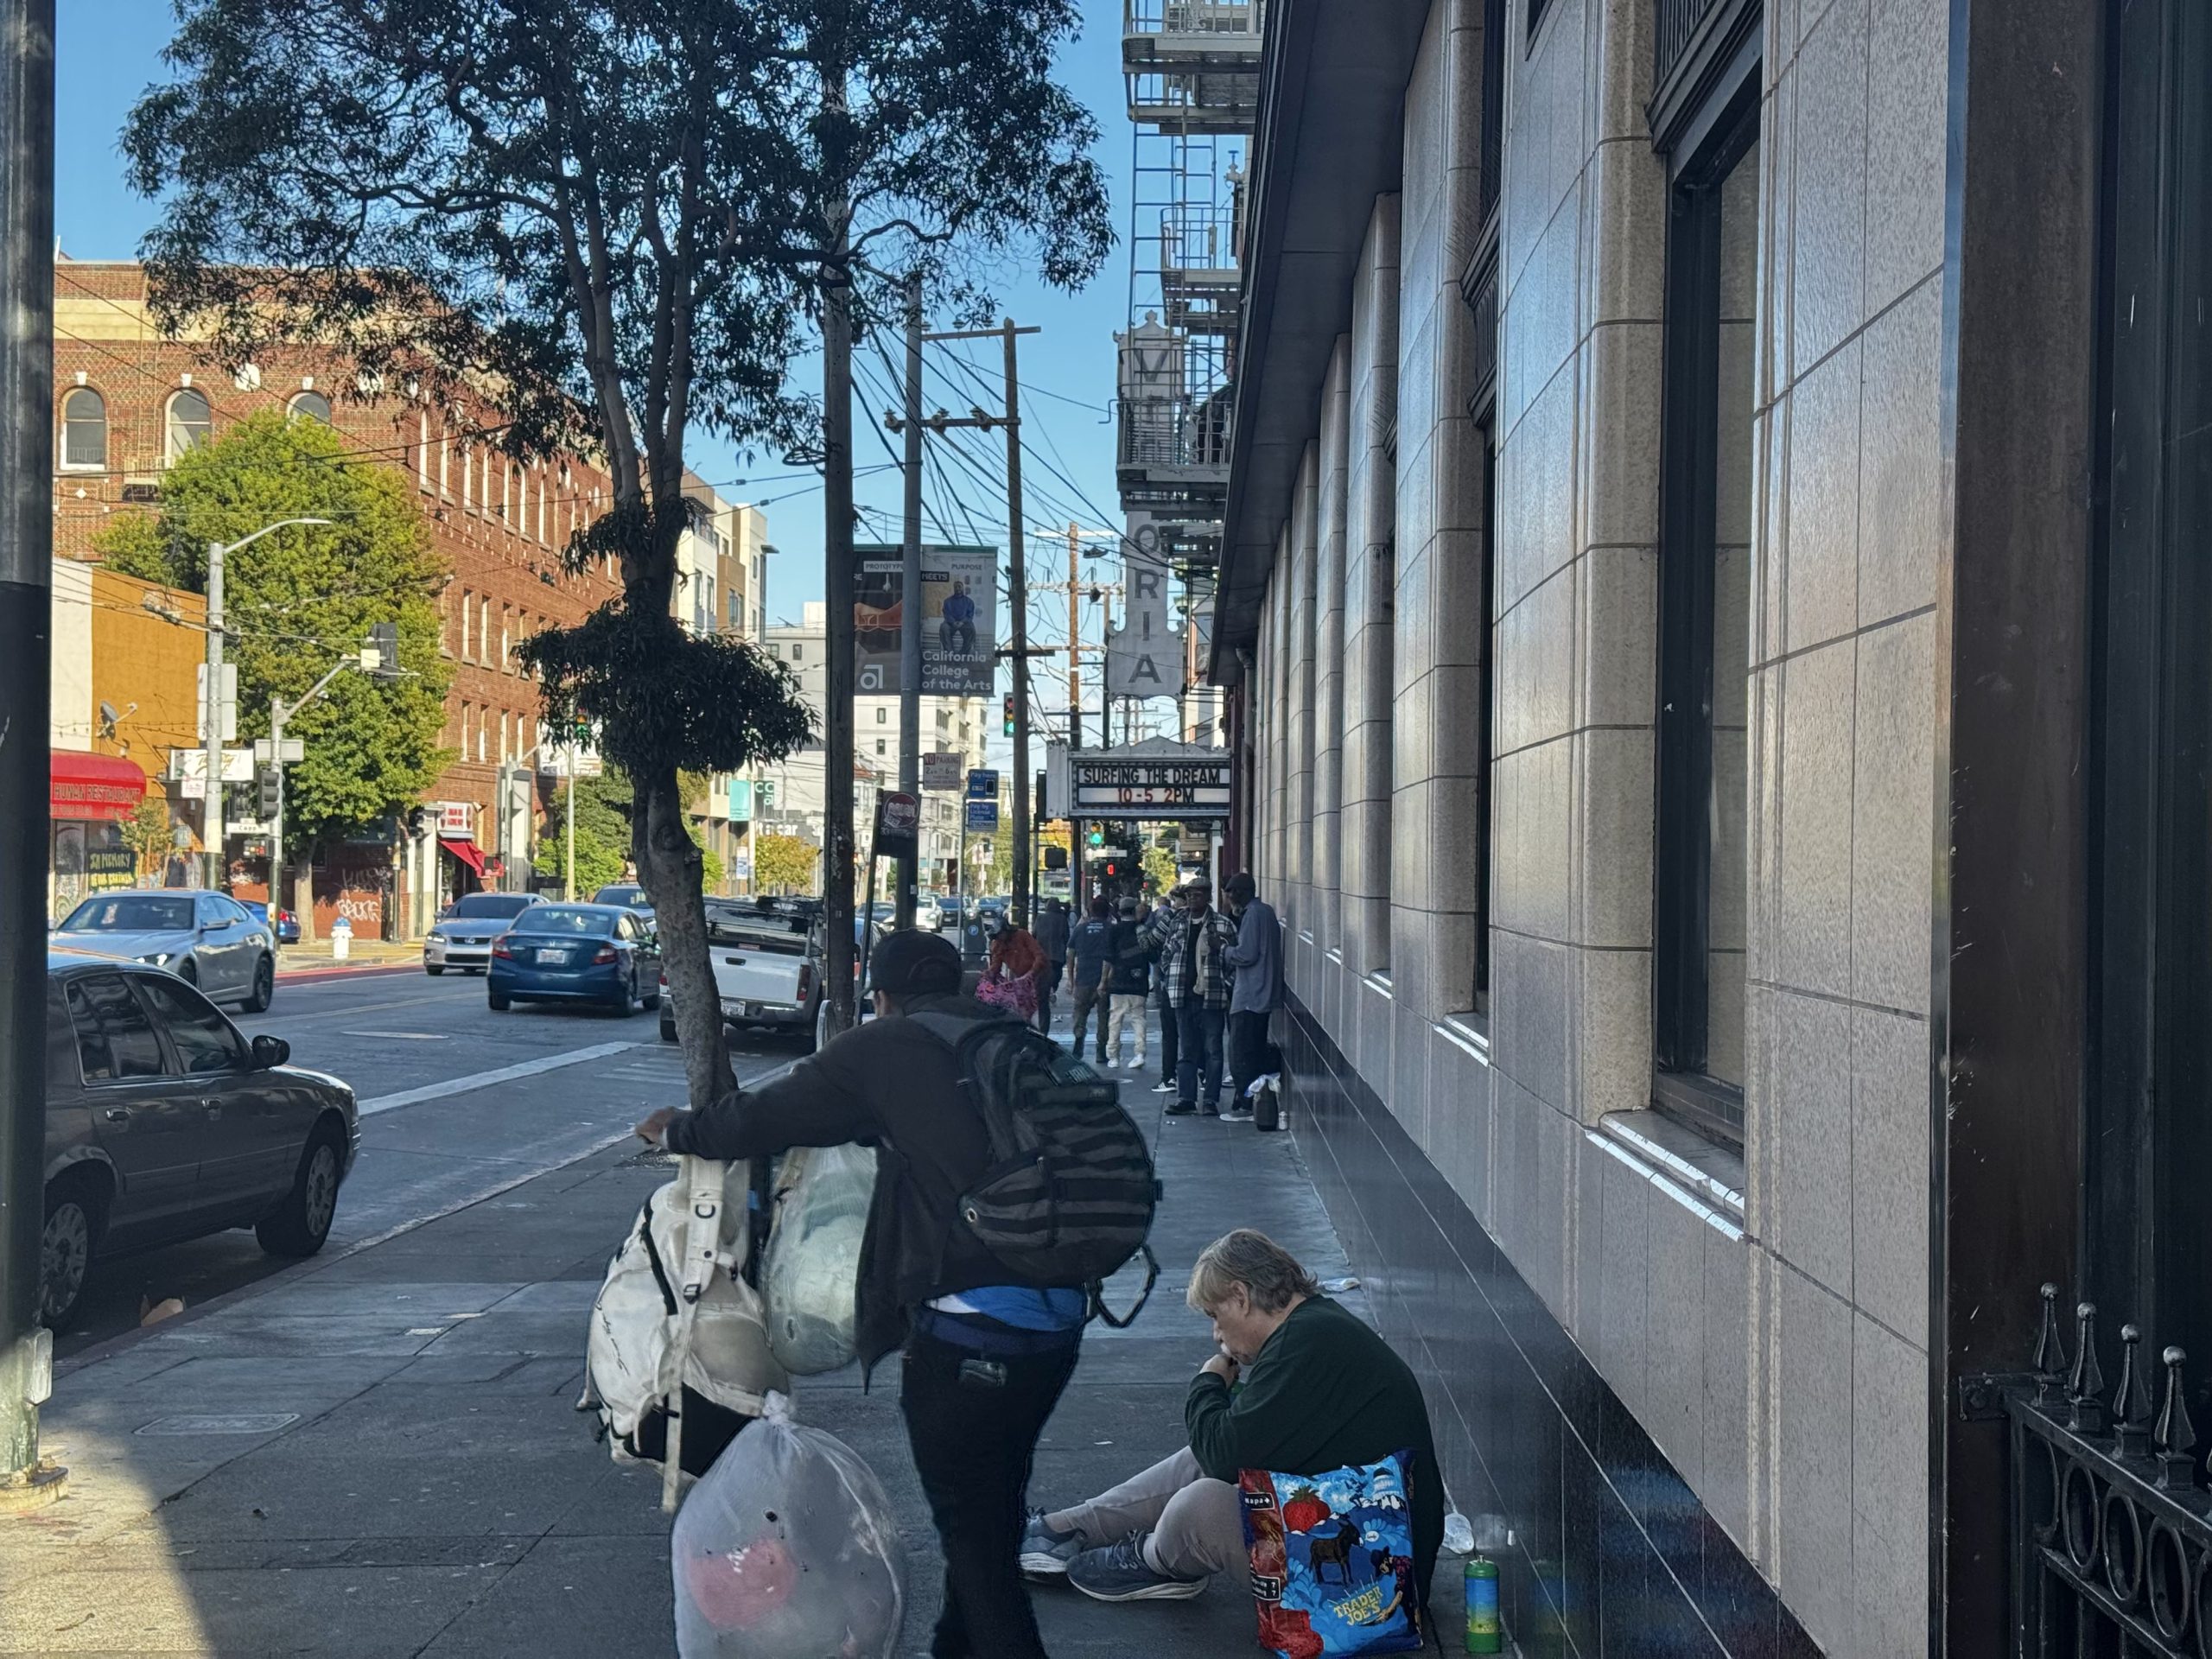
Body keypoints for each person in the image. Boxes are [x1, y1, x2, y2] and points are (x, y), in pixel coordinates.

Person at [635, 931, 1088, 1659]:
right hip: (1060, 1324)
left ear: (880, 995)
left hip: (970, 1330)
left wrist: (679, 1130)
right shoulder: (1015, 1041)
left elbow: (766, 1117)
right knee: (990, 1510)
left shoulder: (884, 1049)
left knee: (976, 1544)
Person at [1020, 1230, 1441, 1612]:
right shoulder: (1315, 1329)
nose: (1216, 1334)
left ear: (1240, 1296)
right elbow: (1228, 1449)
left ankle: (1151, 1557)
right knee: (1198, 1460)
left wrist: (1208, 1382)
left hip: (1378, 1578)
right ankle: (1066, 1528)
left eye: (1214, 1315)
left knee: (1201, 1505)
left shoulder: (1307, 1343)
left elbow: (1225, 1457)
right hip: (1376, 1549)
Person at [1155, 878, 1239, 1116]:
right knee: (1187, 1049)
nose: (1193, 899)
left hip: (1211, 997)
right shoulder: (1178, 922)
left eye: (1198, 895)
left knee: (1213, 1049)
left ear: (1208, 897)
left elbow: (1235, 963)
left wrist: (1225, 985)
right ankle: (1187, 1097)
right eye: (1190, 895)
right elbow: (1167, 951)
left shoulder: (1223, 925)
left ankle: (1210, 1099)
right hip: (1182, 996)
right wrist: (1166, 974)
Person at [1223, 871, 1286, 1128]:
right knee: (1253, 1048)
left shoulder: (1252, 914)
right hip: (1264, 992)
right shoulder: (1266, 912)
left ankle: (1248, 1104)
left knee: (1241, 1052)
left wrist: (1224, 949)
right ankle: (1254, 1101)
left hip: (1250, 995)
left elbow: (1247, 954)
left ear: (1240, 893)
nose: (1228, 898)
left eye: (1230, 892)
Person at [1141, 889, 1185, 1094]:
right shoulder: (1212, 920)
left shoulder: (1172, 919)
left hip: (1174, 985)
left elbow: (1148, 943)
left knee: (1170, 1034)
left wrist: (1140, 925)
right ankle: (1203, 1077)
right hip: (1201, 988)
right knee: (1198, 1035)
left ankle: (1169, 1077)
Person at [1065, 896, 1116, 1063]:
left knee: (1080, 1014)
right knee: (1104, 1016)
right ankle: (1101, 1051)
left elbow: (1070, 955)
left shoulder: (1080, 929)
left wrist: (1070, 979)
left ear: (1090, 911)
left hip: (1083, 979)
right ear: (1107, 913)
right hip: (1105, 980)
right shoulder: (1111, 929)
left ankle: (1079, 1043)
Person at [1104, 897, 1150, 1070]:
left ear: (1119, 911)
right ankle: (1139, 1053)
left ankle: (1113, 1056)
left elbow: (1108, 958)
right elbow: (1151, 954)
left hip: (1118, 981)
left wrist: (1103, 981)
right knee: (1138, 1018)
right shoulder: (1142, 929)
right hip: (1139, 981)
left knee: (1115, 1018)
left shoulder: (1114, 930)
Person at [983, 905, 1046, 1022]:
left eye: (1001, 934)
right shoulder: (998, 944)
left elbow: (1039, 955)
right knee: (1020, 1005)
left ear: (1007, 930)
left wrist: (1032, 973)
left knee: (1040, 1004)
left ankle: (1042, 1032)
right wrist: (989, 974)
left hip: (1039, 975)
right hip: (1020, 977)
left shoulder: (1022, 935)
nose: (1000, 938)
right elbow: (996, 965)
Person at [1033, 897, 1071, 1034]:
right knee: (1056, 975)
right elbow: (1067, 937)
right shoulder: (1062, 919)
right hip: (1057, 955)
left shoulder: (1040, 919)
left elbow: (1034, 935)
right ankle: (1052, 990)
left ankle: (1048, 991)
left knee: (1043, 980)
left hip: (1042, 956)